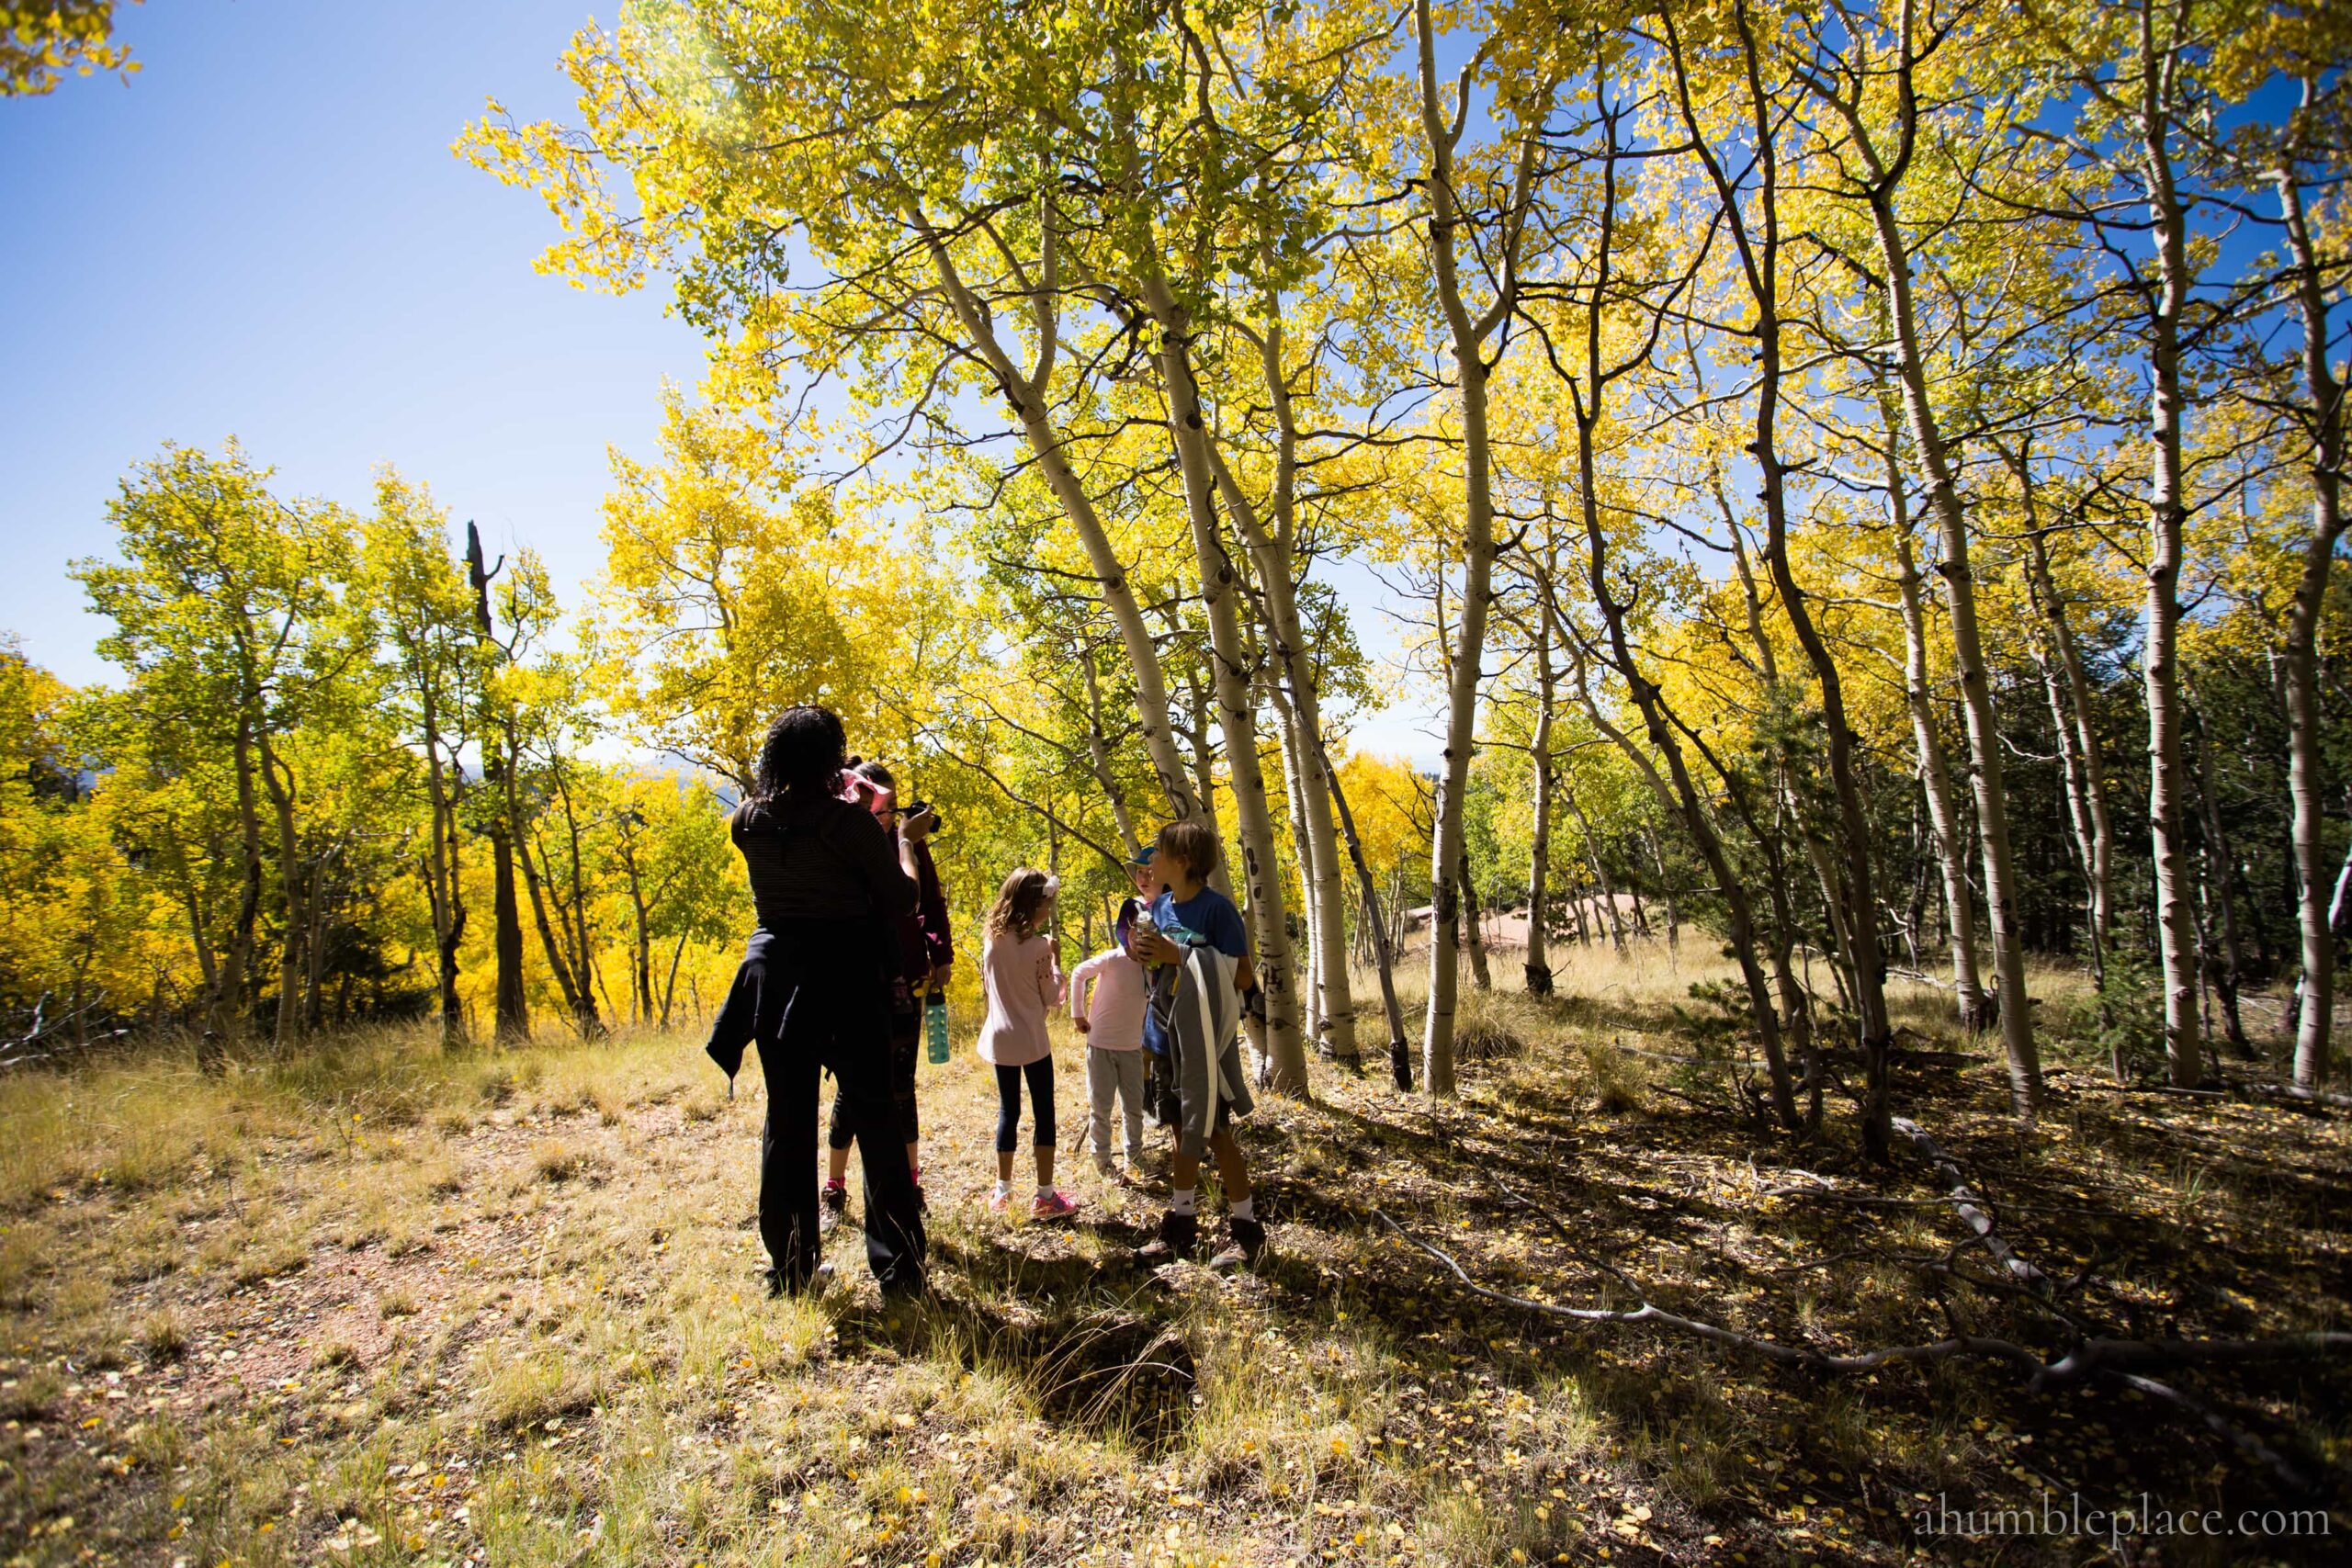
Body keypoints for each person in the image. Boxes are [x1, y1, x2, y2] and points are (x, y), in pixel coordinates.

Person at [705, 706, 928, 1298]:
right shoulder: (847, 824)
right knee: (876, 1117)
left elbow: (795, 847)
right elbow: (900, 898)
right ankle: (898, 1267)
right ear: (831, 757)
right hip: (848, 976)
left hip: (777, 978)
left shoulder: (747, 820)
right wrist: (901, 841)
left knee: (788, 1121)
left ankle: (792, 1267)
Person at [1128, 819, 1266, 1269]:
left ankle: (1247, 1231)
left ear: (1183, 862)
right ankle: (1181, 1226)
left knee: (1215, 1132)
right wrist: (1143, 950)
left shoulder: (1217, 911)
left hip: (1203, 1045)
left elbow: (1244, 977)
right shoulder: (1162, 905)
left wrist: (1180, 955)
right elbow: (1159, 969)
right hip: (1164, 1037)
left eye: (1161, 854)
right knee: (1177, 1129)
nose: (1152, 861)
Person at [821, 759, 951, 1225]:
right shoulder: (851, 847)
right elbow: (897, 895)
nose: (893, 816)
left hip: (906, 981)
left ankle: (910, 1184)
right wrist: (901, 843)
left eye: (896, 807)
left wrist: (941, 953)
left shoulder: (908, 843)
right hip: (859, 982)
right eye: (885, 807)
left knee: (902, 1085)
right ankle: (834, 1187)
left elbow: (929, 900)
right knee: (853, 1087)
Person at [978, 867, 1073, 1218]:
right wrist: (1056, 961)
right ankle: (1045, 1195)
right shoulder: (1038, 948)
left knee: (1009, 1111)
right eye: (1046, 905)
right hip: (1032, 1039)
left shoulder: (992, 941)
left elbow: (991, 988)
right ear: (1033, 906)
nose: (1048, 911)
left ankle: (1002, 1190)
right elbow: (1050, 996)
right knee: (1043, 1111)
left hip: (1000, 1038)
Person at [1069, 929, 1149, 1179]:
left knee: (1134, 1107)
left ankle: (1134, 1157)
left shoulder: (1152, 967)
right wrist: (1077, 1013)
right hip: (1101, 1044)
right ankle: (1103, 1161)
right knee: (1101, 1107)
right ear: (1128, 932)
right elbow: (1079, 973)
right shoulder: (1113, 958)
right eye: (1136, 931)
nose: (1141, 937)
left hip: (1132, 1047)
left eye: (1148, 932)